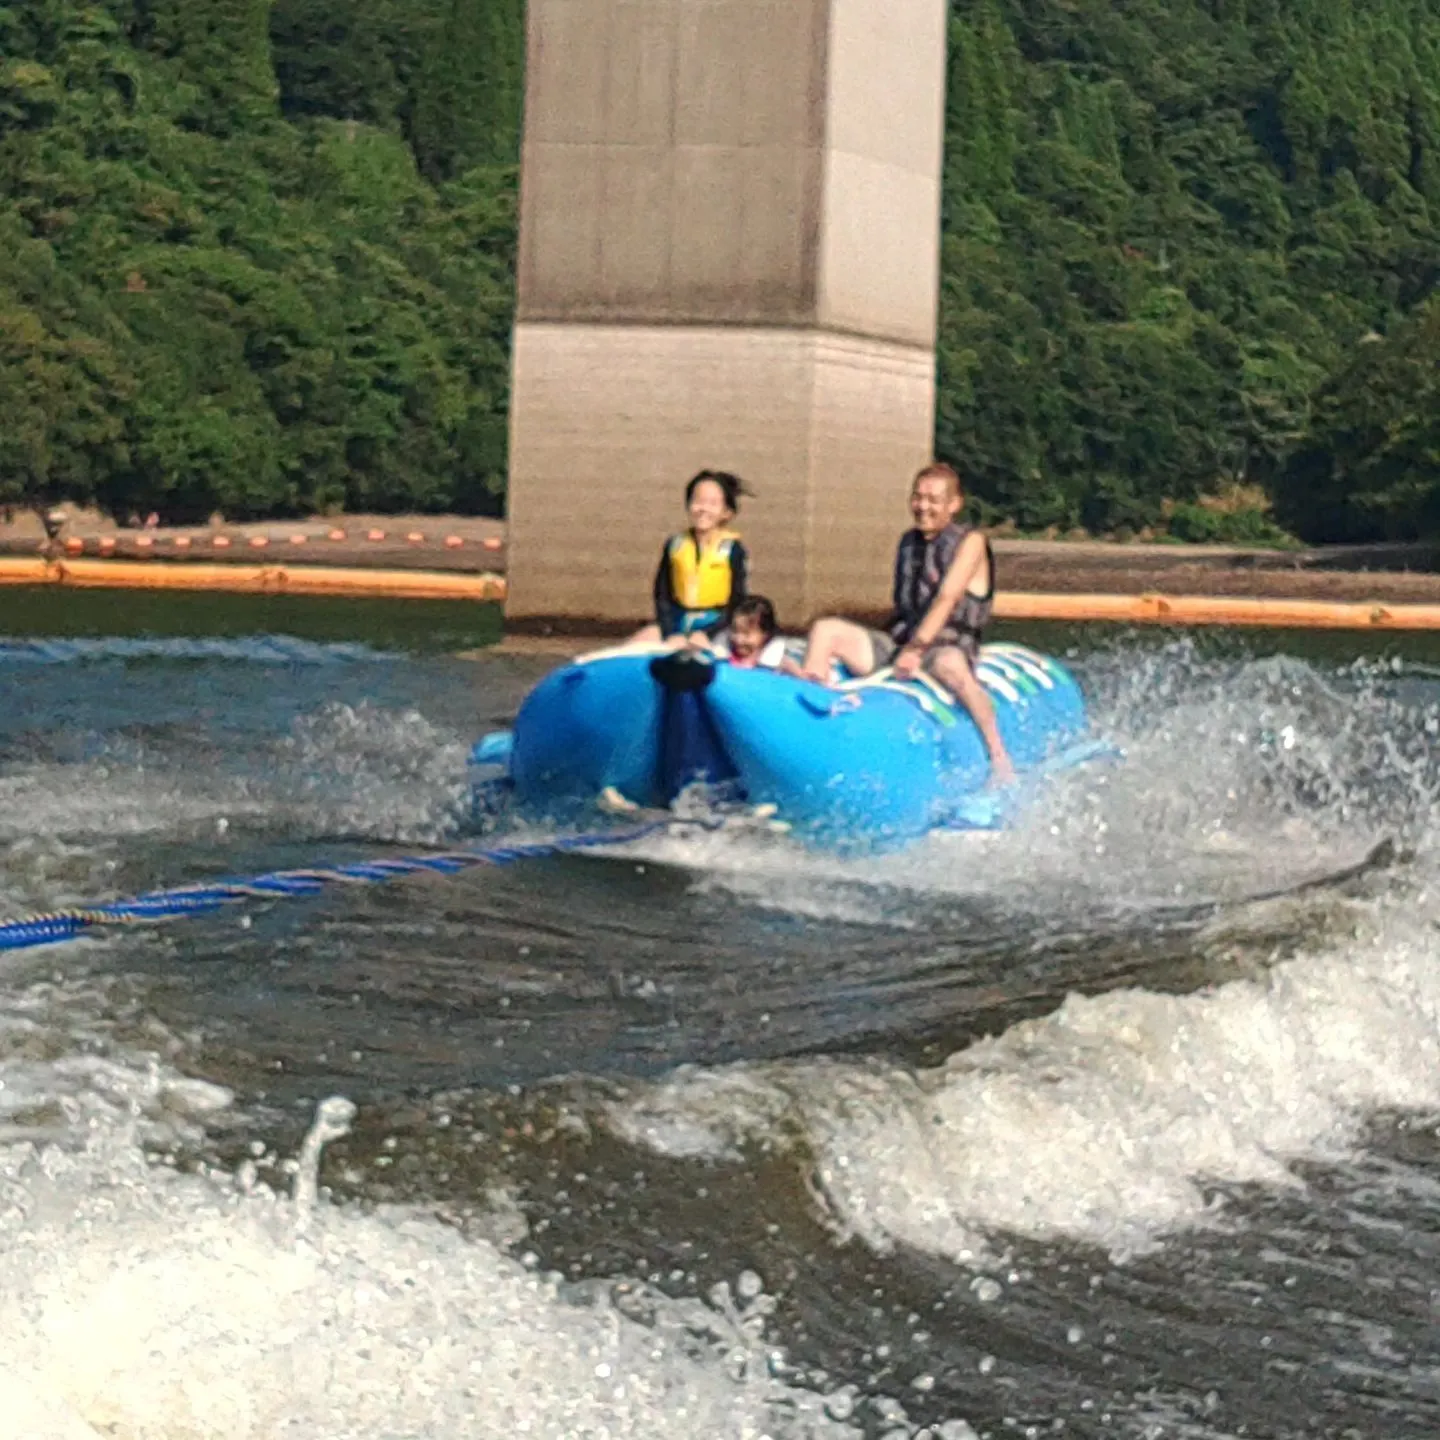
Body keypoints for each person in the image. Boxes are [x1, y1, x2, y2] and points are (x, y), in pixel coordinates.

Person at [798, 461, 1015, 784]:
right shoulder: (908, 542)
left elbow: (947, 597)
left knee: (950, 666)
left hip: (946, 644)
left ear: (954, 505)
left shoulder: (971, 543)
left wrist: (916, 649)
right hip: (901, 643)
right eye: (917, 497)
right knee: (825, 629)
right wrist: (904, 647)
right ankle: (809, 699)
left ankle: (999, 756)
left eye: (933, 499)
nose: (922, 506)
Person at [631, 471, 750, 644]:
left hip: (717, 624)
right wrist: (670, 632)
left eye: (712, 503)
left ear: (726, 512)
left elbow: (738, 602)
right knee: (644, 639)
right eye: (698, 501)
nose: (703, 509)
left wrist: (708, 633)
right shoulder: (675, 545)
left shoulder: (733, 550)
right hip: (679, 623)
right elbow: (662, 595)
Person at [712, 595, 787, 669]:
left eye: (746, 634)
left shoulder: (778, 659)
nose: (739, 640)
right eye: (734, 631)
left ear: (766, 634)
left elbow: (797, 677)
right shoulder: (722, 651)